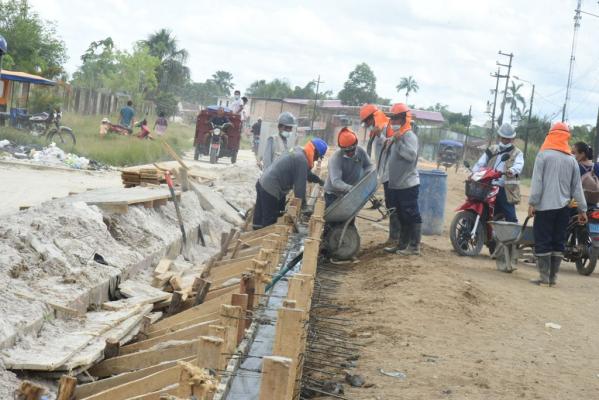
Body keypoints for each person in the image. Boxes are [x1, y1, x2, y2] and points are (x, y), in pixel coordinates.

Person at [529, 122, 587, 286]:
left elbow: (537, 182)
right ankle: (553, 278)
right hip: (564, 209)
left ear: (551, 135)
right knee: (558, 241)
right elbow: (577, 188)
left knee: (543, 240)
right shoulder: (571, 160)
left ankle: (544, 277)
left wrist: (533, 203)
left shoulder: (543, 155)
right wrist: (582, 210)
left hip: (545, 207)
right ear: (566, 138)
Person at [253, 138, 328, 229]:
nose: (316, 160)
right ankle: (262, 240)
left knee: (258, 222)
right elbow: (299, 189)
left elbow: (305, 173)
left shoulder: (297, 150)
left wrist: (318, 180)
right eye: (317, 157)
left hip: (263, 183)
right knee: (269, 225)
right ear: (314, 151)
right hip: (271, 189)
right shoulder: (301, 160)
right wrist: (304, 207)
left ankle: (251, 239)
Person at [382, 103, 422, 256]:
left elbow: (411, 156)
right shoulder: (397, 136)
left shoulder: (409, 136)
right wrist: (392, 141)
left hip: (407, 184)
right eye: (392, 119)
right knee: (401, 216)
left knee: (411, 214)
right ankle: (402, 245)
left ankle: (414, 247)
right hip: (397, 185)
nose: (393, 122)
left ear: (404, 119)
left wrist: (397, 142)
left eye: (396, 119)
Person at [472, 123, 524, 222]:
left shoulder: (517, 153)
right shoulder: (492, 149)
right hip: (488, 186)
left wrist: (512, 170)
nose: (505, 141)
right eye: (503, 138)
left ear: (512, 139)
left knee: (510, 216)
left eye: (508, 139)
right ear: (499, 137)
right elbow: (481, 163)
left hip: (505, 189)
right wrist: (473, 173)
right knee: (482, 210)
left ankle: (511, 234)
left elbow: (518, 165)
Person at [324, 127, 374, 208]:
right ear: (341, 148)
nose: (350, 153)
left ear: (356, 144)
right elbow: (336, 182)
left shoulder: (361, 151)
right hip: (333, 195)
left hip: (350, 193)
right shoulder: (336, 158)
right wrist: (353, 189)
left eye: (353, 149)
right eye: (347, 151)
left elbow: (369, 166)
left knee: (349, 218)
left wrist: (366, 179)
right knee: (334, 219)